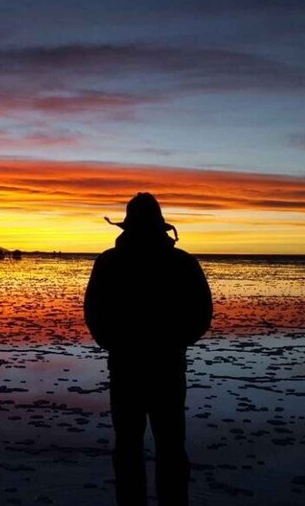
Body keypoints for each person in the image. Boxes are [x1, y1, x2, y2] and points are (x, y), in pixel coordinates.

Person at [84, 192, 212, 506]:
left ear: (126, 227)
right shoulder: (181, 263)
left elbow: (94, 313)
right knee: (168, 447)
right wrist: (177, 342)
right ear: (160, 226)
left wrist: (114, 343)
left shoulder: (109, 262)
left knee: (131, 447)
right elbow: (201, 314)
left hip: (130, 366)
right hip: (164, 366)